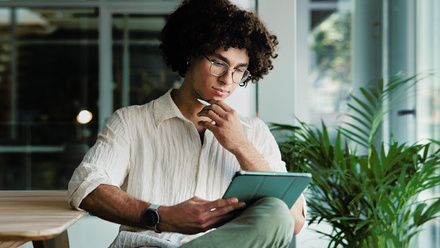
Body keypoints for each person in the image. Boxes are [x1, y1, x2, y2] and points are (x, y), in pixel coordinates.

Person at [67, 0, 306, 247]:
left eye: (239, 70)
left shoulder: (254, 133)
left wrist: (241, 147)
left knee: (277, 212)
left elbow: (293, 220)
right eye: (218, 63)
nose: (227, 79)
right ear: (190, 54)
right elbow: (85, 186)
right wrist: (162, 216)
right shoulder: (131, 122)